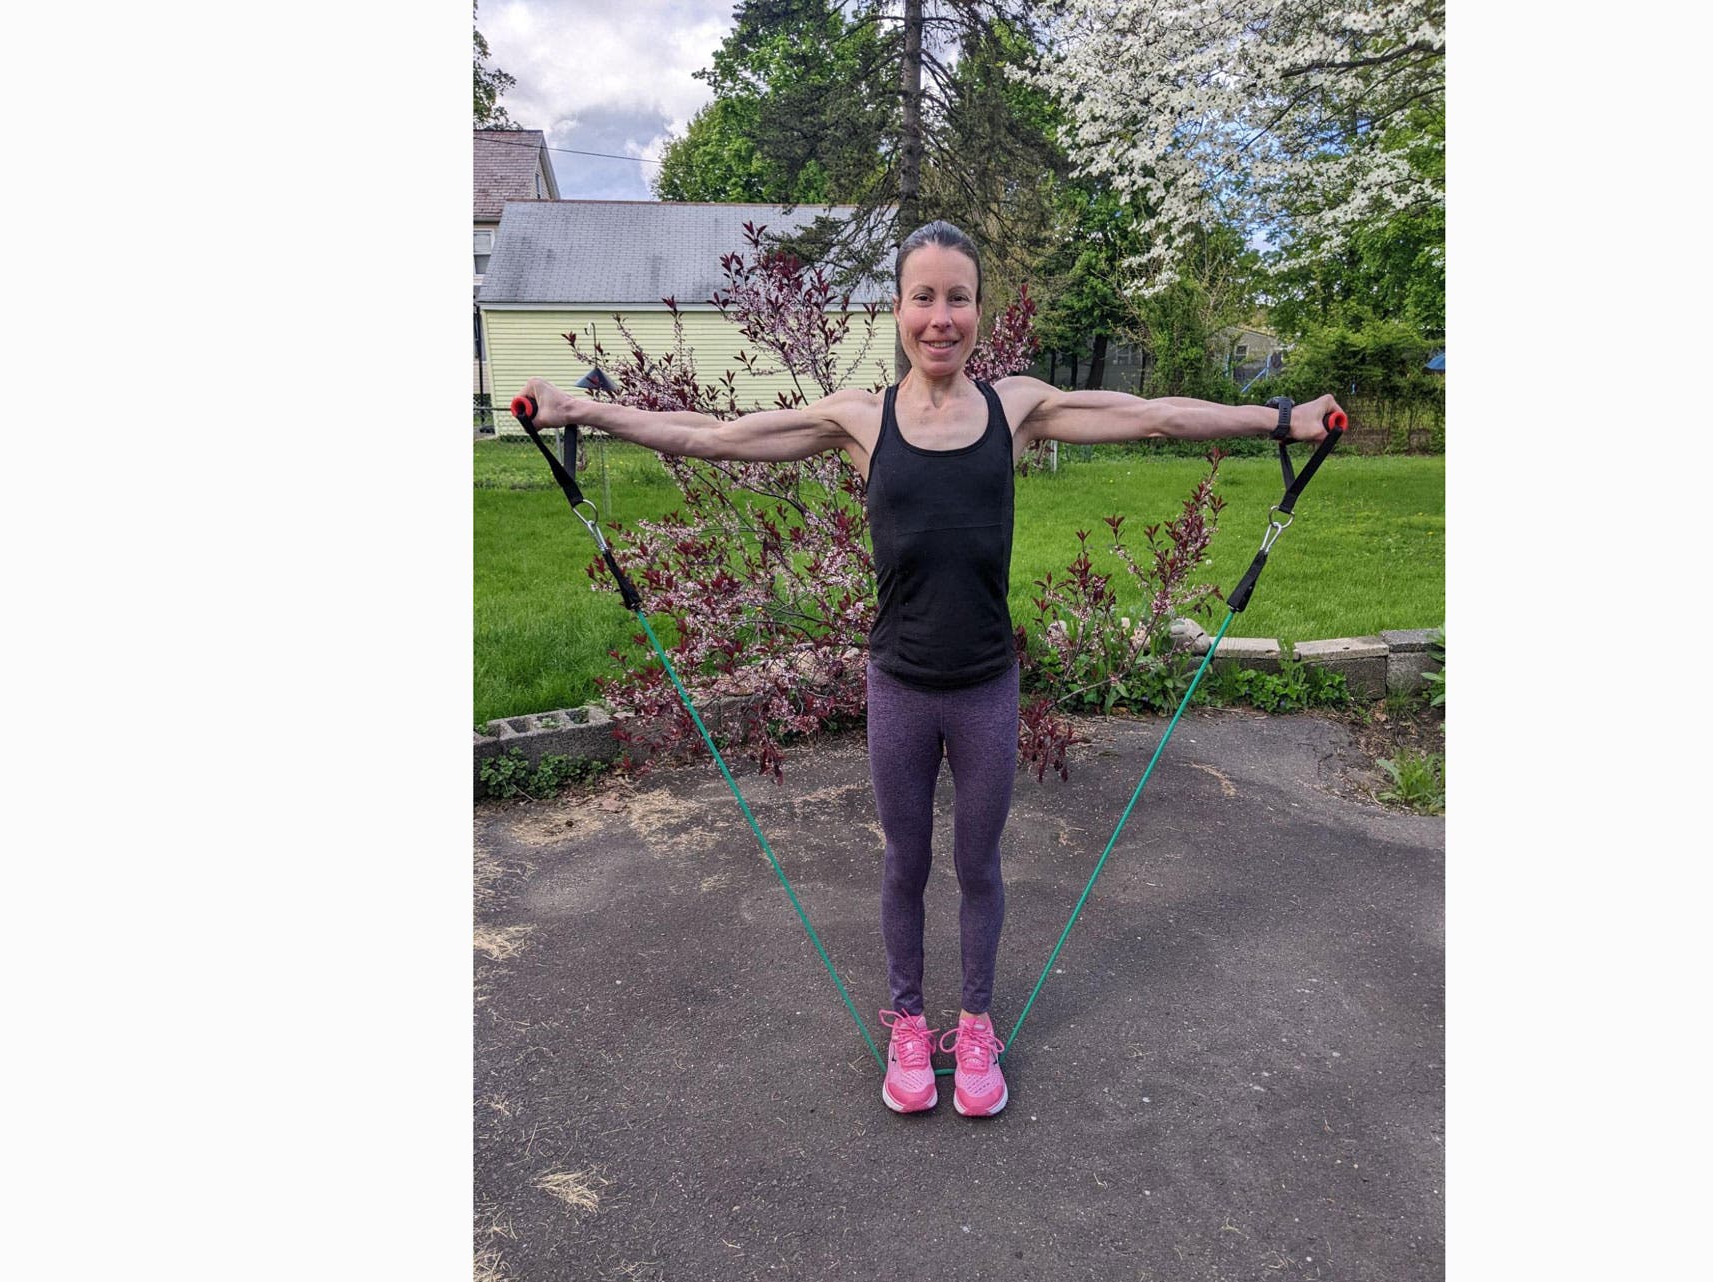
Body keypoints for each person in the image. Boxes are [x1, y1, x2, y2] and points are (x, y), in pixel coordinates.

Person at [516, 220, 1344, 1119]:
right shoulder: (857, 418)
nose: (940, 317)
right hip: (900, 689)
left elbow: (1151, 413)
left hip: (987, 688)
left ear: (979, 311)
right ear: (899, 310)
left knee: (979, 865)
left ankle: (976, 1024)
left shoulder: (1016, 406)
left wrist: (1283, 420)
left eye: (958, 297)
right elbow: (712, 436)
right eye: (924, 297)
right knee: (906, 862)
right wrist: (584, 409)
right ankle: (910, 1023)